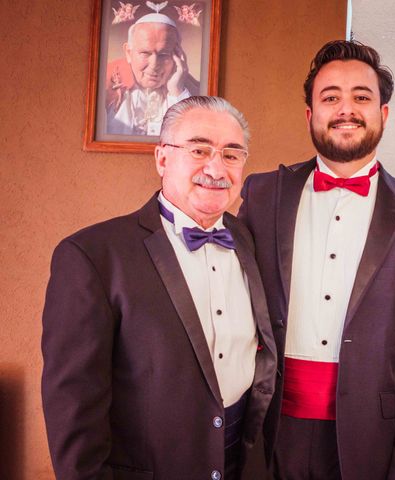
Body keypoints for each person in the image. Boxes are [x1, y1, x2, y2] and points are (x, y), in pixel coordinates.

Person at [238, 40, 395, 479]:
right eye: (330, 97)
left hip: (370, 440)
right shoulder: (261, 196)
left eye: (361, 97)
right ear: (310, 114)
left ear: (383, 114)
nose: (345, 109)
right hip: (269, 430)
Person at [42, 96, 276, 480]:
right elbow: (73, 410)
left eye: (232, 155)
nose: (216, 167)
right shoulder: (91, 255)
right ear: (162, 159)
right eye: (200, 149)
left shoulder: (250, 241)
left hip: (242, 462)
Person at [106, 13, 198, 136]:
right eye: (145, 53)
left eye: (164, 54)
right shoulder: (106, 86)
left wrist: (177, 91)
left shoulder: (194, 93)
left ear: (178, 55)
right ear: (129, 53)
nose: (154, 65)